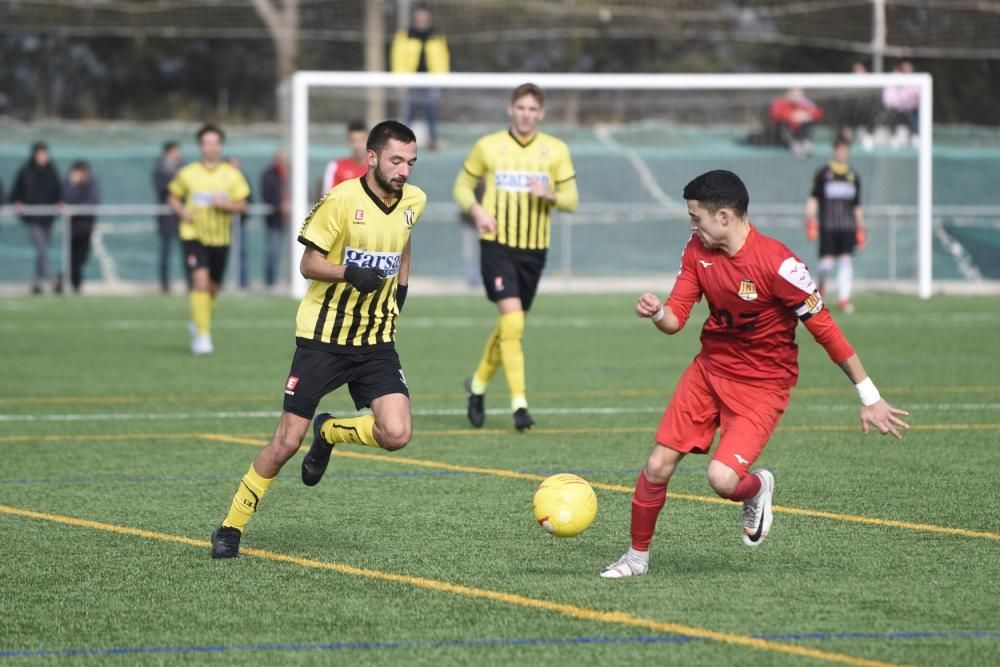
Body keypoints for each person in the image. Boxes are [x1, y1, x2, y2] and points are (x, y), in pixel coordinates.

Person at [600, 170, 909, 579]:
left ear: (724, 216)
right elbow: (676, 319)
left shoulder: (779, 264)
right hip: (709, 371)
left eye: (697, 218)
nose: (692, 226)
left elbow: (826, 330)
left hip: (763, 385)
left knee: (722, 479)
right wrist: (658, 312)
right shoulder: (697, 249)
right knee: (657, 466)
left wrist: (869, 396)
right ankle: (636, 559)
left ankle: (757, 488)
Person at [209, 121, 425, 559]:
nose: (404, 170)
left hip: (376, 339)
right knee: (286, 442)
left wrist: (401, 290)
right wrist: (349, 271)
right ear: (372, 158)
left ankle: (330, 432)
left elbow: (403, 244)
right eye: (396, 160)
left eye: (411, 162)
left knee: (397, 433)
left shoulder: (414, 201)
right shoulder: (342, 200)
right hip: (322, 338)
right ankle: (231, 527)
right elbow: (308, 263)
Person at [453, 82, 579, 431]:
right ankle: (519, 405)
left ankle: (477, 385)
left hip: (534, 250)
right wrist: (477, 211)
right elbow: (461, 187)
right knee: (512, 323)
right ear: (511, 109)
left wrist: (550, 194)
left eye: (532, 110)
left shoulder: (555, 150)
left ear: (541, 113)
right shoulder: (488, 146)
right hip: (496, 245)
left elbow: (572, 200)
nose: (525, 115)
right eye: (520, 108)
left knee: (511, 325)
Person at [167, 123, 250, 355]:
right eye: (206, 143)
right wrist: (182, 211)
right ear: (200, 146)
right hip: (193, 235)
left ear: (220, 146)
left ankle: (198, 322)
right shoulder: (188, 173)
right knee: (200, 281)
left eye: (215, 143)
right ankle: (203, 336)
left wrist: (226, 204)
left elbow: (243, 204)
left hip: (220, 238)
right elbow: (172, 196)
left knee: (212, 288)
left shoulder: (232, 175)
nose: (211, 147)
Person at [805, 137, 866, 314]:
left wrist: (861, 228)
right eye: (839, 149)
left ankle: (844, 299)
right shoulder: (823, 174)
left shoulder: (853, 176)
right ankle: (820, 290)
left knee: (846, 260)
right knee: (827, 263)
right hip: (828, 226)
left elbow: (856, 206)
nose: (842, 153)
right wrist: (810, 219)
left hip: (847, 227)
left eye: (845, 149)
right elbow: (813, 199)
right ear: (834, 150)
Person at [390, 3, 450, 150]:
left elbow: (443, 58)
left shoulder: (437, 36)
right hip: (411, 79)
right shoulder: (404, 35)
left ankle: (432, 141)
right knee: (409, 111)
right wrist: (400, 79)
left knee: (431, 111)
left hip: (431, 80)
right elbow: (398, 57)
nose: (422, 20)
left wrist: (442, 79)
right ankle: (403, 141)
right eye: (419, 17)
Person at [10, 142, 62, 295]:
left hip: (48, 218)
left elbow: (58, 191)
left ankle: (37, 282)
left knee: (42, 251)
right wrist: (17, 203)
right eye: (40, 154)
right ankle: (53, 280)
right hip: (31, 218)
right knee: (42, 249)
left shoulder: (52, 171)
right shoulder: (25, 171)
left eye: (44, 154)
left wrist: (59, 202)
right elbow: (16, 192)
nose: (42, 157)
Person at [61, 161, 100, 293]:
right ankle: (70, 283)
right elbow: (66, 199)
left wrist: (75, 208)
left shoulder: (92, 184)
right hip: (71, 227)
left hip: (86, 226)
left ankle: (66, 281)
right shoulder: (69, 184)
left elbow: (92, 202)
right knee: (71, 257)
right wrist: (72, 185)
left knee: (81, 258)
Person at [153, 141, 183, 293]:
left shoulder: (184, 168)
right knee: (165, 252)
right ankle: (164, 284)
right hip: (166, 216)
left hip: (182, 216)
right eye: (175, 151)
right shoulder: (160, 169)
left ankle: (192, 282)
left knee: (188, 252)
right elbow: (164, 191)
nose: (179, 154)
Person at [260, 148, 289, 289]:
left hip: (295, 221)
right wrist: (280, 206)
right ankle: (270, 283)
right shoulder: (269, 174)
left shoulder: (294, 173)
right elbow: (267, 194)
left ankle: (294, 281)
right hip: (275, 220)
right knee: (273, 252)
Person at [769, 88, 824, 158]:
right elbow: (775, 114)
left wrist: (807, 115)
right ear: (788, 93)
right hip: (783, 136)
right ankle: (793, 145)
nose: (797, 95)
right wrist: (791, 116)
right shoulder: (780, 102)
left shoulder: (806, 103)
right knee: (781, 124)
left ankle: (806, 143)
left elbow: (818, 113)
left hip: (799, 133)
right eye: (794, 92)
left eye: (799, 92)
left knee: (809, 122)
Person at [225, 155, 253, 290]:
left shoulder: (243, 179)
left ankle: (242, 282)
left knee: (242, 252)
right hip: (223, 224)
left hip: (239, 222)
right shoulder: (221, 179)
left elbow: (247, 200)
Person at [320, 119, 369, 195]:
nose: (358, 145)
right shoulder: (336, 167)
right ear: (348, 141)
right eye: (354, 141)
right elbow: (327, 198)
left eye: (361, 140)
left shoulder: (377, 169)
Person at [880, 60, 920, 148]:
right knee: (892, 114)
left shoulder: (916, 80)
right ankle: (893, 137)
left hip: (910, 109)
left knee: (914, 114)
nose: (906, 70)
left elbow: (915, 96)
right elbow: (887, 98)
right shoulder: (893, 79)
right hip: (896, 109)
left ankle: (915, 136)